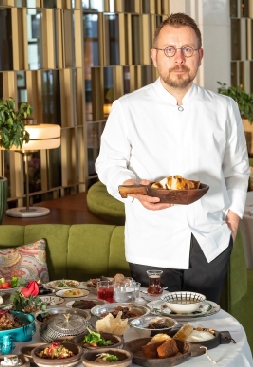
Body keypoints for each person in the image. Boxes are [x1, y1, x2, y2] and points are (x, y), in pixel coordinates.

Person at [95, 13, 249, 303]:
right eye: (169, 50)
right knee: (159, 334)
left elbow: (238, 169)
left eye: (187, 50)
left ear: (200, 56)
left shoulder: (224, 108)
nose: (179, 58)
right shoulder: (127, 108)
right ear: (155, 56)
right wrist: (134, 191)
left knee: (205, 332)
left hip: (210, 243)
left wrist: (233, 218)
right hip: (151, 244)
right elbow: (107, 164)